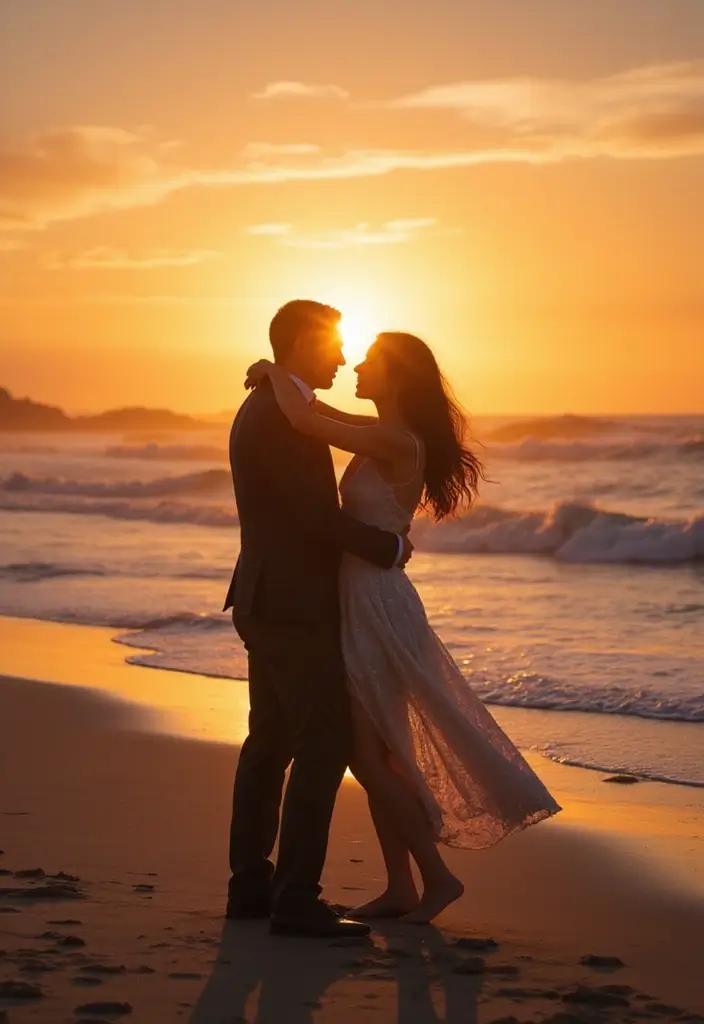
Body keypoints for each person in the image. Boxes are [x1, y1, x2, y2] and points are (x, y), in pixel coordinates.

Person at [245, 330, 561, 924]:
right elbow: (319, 414)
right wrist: (287, 382)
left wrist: (273, 369)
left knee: (365, 752)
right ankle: (402, 888)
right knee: (379, 753)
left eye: (369, 361)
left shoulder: (395, 439)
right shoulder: (380, 435)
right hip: (362, 594)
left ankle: (437, 880)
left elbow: (310, 424)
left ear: (394, 376)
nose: (356, 366)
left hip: (376, 601)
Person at [223, 300, 412, 938]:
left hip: (267, 597)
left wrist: (272, 374)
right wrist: (387, 548)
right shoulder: (278, 411)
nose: (339, 356)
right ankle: (295, 899)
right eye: (332, 344)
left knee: (268, 744)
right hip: (292, 604)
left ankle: (251, 890)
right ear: (303, 341)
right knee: (321, 743)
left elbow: (342, 442)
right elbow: (313, 516)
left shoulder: (278, 403)